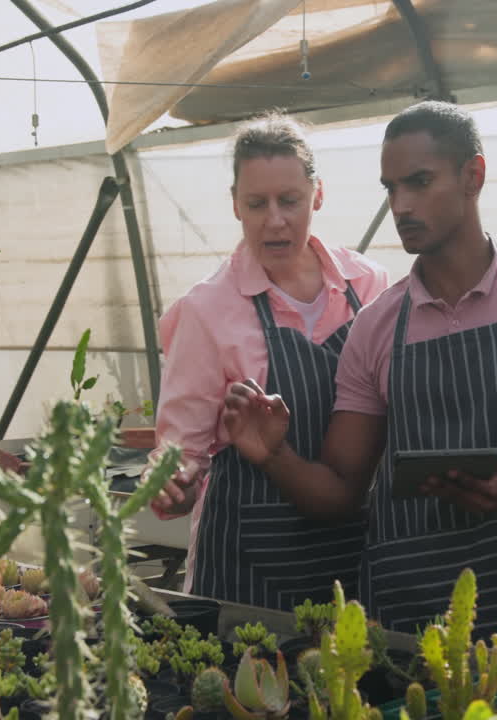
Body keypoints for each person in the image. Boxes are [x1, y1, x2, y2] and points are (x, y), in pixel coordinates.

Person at [220, 101, 497, 661]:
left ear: (474, 176)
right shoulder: (375, 327)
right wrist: (272, 455)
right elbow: (342, 491)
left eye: (419, 182)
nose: (401, 206)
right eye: (390, 188)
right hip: (406, 624)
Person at [147, 111, 389, 612]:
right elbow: (179, 455)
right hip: (247, 568)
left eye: (290, 201)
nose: (274, 220)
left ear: (317, 195)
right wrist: (174, 486)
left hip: (353, 553)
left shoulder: (367, 287)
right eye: (257, 203)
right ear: (235, 204)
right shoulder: (208, 309)